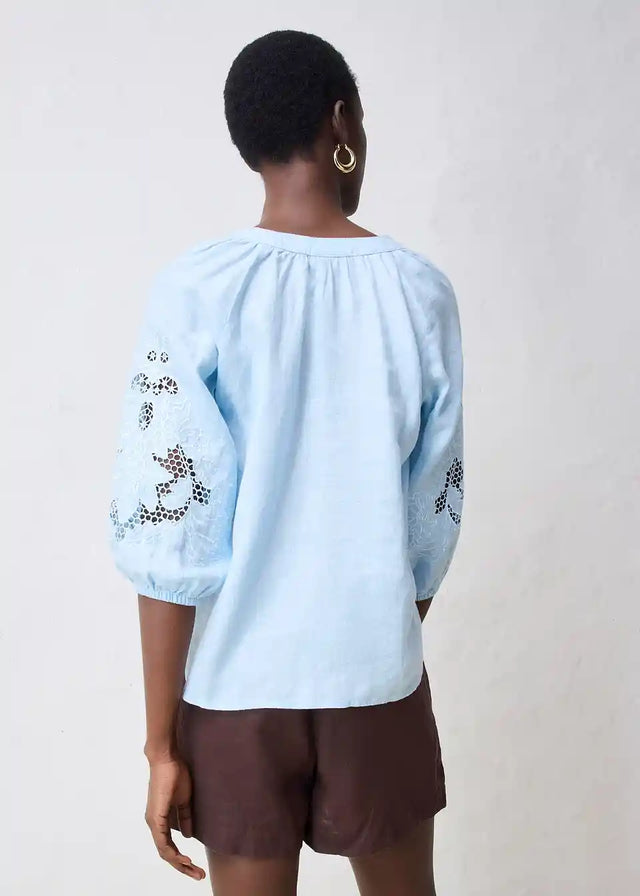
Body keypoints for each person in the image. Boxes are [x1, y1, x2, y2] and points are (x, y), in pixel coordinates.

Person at [109, 29, 464, 896]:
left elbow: (169, 527)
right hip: (376, 675)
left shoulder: (199, 289)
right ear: (342, 121)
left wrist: (161, 746)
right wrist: (374, 626)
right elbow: (433, 515)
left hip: (237, 688)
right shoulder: (419, 292)